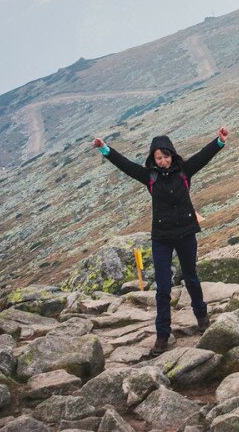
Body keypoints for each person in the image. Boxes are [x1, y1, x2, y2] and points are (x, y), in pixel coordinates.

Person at [92, 127, 228, 356]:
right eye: (158, 158)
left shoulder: (184, 171)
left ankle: (202, 319)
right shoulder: (150, 177)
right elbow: (126, 166)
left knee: (191, 278)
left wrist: (219, 142)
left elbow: (203, 156)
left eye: (166, 156)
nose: (163, 161)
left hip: (186, 233)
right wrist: (105, 149)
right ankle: (162, 335)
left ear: (172, 155)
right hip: (162, 238)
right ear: (153, 159)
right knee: (163, 288)